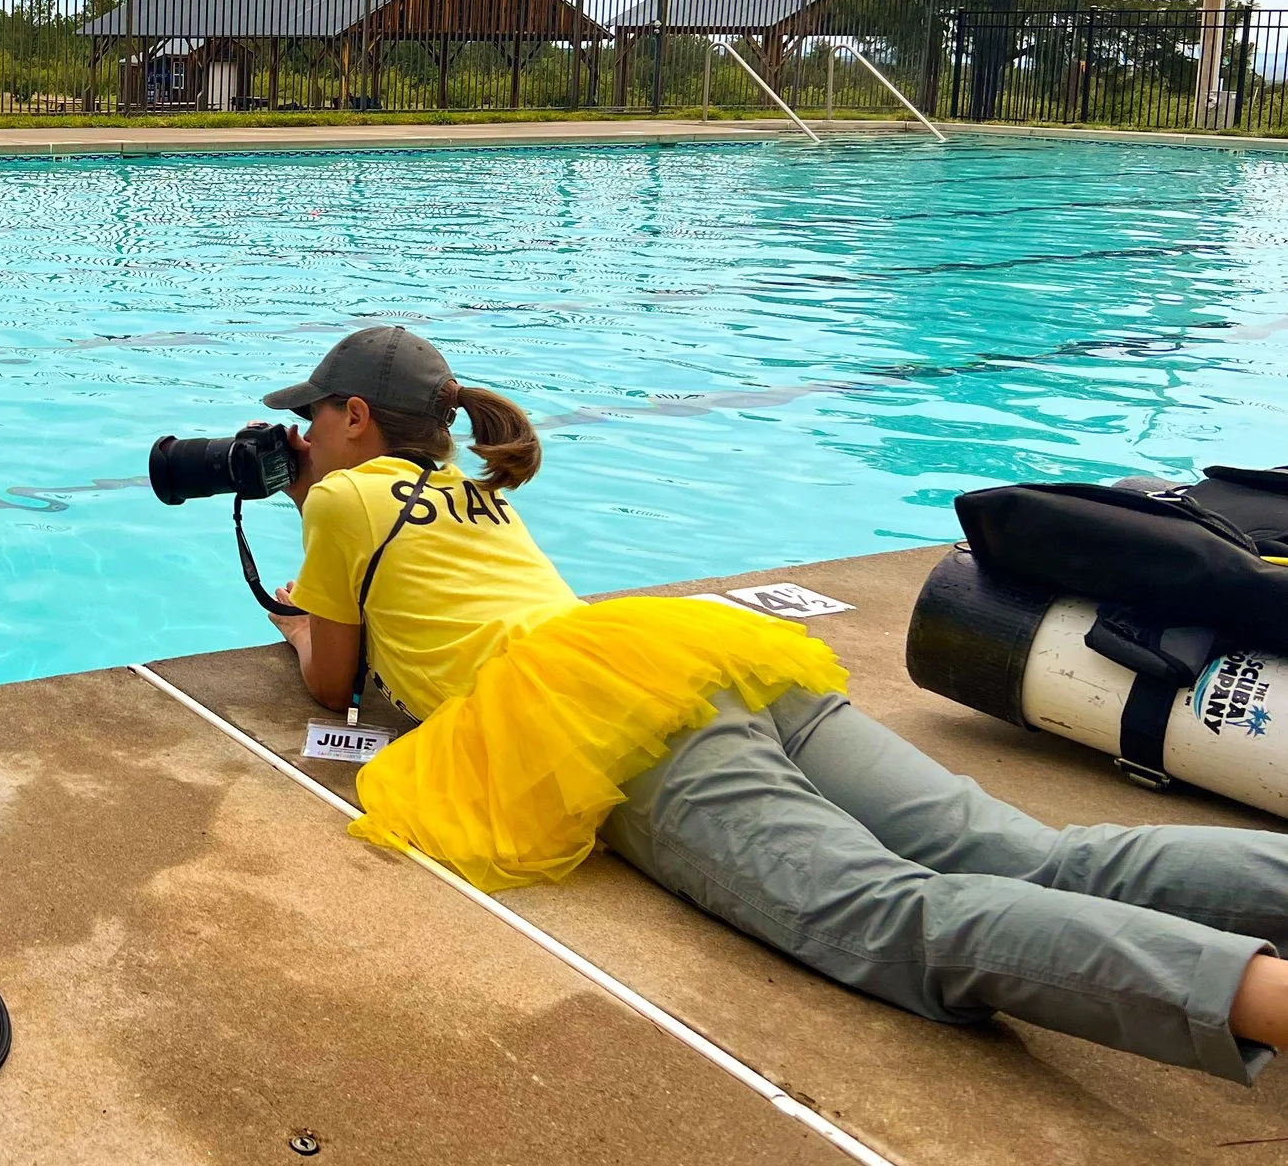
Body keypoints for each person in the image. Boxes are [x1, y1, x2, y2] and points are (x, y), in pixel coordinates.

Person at [260, 325, 1288, 1085]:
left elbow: (330, 684)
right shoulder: (483, 490)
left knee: (889, 916)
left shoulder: (343, 495)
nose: (303, 436)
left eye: (312, 416)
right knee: (1032, 854)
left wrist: (300, 609)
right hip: (700, 655)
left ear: (354, 418)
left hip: (595, 716)